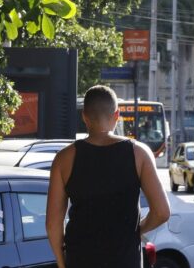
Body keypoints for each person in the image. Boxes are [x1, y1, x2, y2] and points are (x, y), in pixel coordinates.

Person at [46, 85, 170, 268]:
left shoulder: (64, 158)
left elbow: (52, 224)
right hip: (125, 261)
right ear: (117, 115)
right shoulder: (139, 153)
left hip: (80, 260)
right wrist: (136, 230)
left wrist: (62, 262)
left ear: (84, 117)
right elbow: (162, 212)